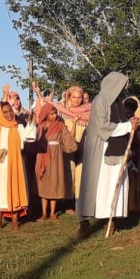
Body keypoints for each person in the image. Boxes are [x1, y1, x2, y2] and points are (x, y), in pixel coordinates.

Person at [75, 72, 140, 237]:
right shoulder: (101, 100)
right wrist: (127, 127)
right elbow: (102, 126)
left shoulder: (118, 102)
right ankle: (86, 221)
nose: (125, 89)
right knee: (98, 185)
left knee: (114, 184)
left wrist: (130, 124)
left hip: (117, 148)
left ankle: (112, 219)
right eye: (123, 85)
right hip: (102, 149)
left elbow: (120, 123)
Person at [0, 85, 37, 230]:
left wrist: (31, 122)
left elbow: (29, 137)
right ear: (0, 113)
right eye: (5, 112)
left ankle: (14, 220)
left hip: (15, 163)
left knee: (15, 188)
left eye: (10, 111)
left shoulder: (17, 127)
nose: (9, 115)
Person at [32, 83, 91, 212]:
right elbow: (45, 106)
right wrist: (38, 92)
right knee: (68, 171)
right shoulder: (62, 111)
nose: (77, 100)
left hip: (83, 143)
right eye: (74, 97)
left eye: (79, 98)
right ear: (68, 97)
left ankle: (80, 200)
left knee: (81, 171)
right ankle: (67, 202)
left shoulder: (88, 111)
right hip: (65, 144)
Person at [34, 102, 78, 222]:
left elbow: (68, 141)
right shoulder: (40, 126)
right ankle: (44, 213)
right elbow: (35, 140)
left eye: (55, 113)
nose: (54, 116)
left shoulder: (60, 125)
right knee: (44, 183)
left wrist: (73, 125)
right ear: (46, 114)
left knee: (54, 181)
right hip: (43, 154)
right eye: (51, 114)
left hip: (56, 156)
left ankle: (53, 212)